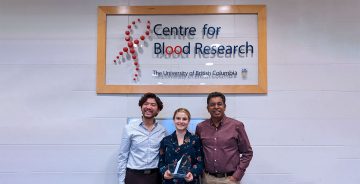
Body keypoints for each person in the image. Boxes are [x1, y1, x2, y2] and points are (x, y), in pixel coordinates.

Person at [195, 92, 253, 184]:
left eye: (219, 104)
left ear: (225, 107)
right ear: (208, 108)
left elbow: (247, 153)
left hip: (229, 179)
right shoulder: (200, 127)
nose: (216, 107)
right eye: (212, 104)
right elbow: (197, 153)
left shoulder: (236, 126)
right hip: (207, 179)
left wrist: (237, 175)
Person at [118, 92, 167, 184]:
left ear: (158, 110)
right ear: (141, 107)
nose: (149, 107)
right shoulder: (129, 128)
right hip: (133, 176)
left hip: (155, 177)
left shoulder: (162, 130)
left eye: (153, 105)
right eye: (146, 104)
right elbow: (122, 156)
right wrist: (121, 181)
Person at [158, 108, 204, 184]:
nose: (181, 121)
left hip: (189, 181)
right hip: (169, 181)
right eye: (178, 118)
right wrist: (164, 171)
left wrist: (192, 173)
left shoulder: (195, 140)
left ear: (188, 121)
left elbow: (200, 163)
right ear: (174, 120)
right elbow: (161, 162)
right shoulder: (166, 140)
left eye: (184, 119)